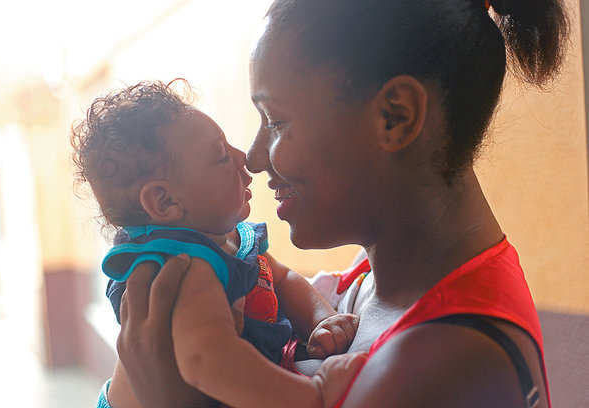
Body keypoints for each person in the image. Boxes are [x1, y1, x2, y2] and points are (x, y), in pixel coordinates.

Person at [112, 0, 570, 407]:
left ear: (396, 116)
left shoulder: (439, 366)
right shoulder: (371, 280)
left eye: (275, 120)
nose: (251, 158)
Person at [70, 80, 365, 408]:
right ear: (165, 200)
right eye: (221, 155)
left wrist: (321, 320)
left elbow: (280, 278)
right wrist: (313, 396)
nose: (245, 158)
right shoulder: (182, 263)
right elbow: (207, 360)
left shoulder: (228, 239)